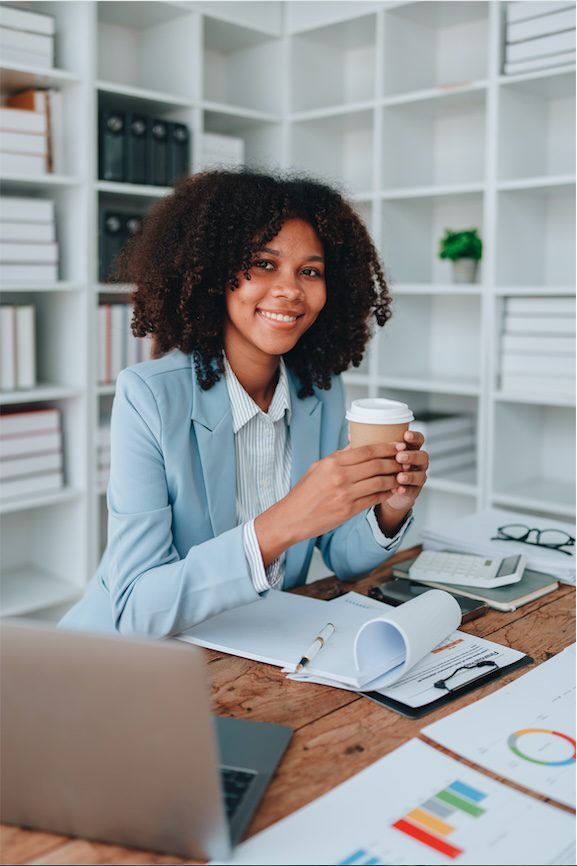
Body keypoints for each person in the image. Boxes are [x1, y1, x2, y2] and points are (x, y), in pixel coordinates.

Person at [61, 170, 428, 637]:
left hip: (258, 649)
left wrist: (388, 506)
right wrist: (281, 525)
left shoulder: (320, 391)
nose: (291, 290)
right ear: (215, 276)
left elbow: (343, 556)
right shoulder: (149, 397)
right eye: (264, 263)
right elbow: (136, 609)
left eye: (310, 271)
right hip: (132, 660)